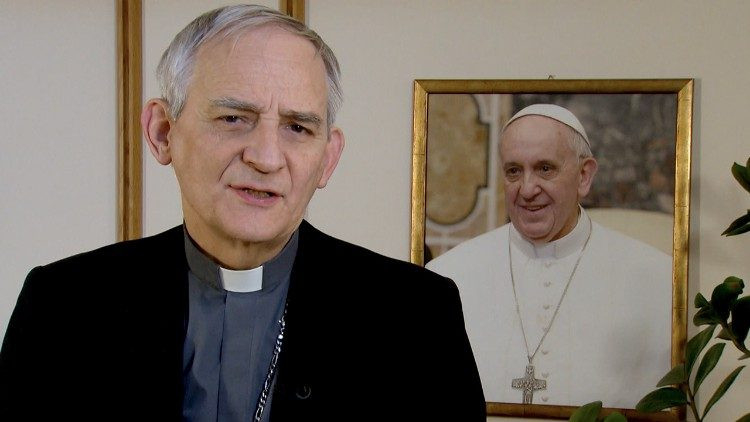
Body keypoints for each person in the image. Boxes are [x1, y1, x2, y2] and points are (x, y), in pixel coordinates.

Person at [0, 5, 485, 421]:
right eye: (234, 118)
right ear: (163, 132)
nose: (266, 158)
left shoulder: (417, 318)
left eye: (298, 127)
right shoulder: (61, 307)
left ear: (328, 158)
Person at [427, 104, 672, 409]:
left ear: (584, 176)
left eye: (545, 168)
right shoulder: (446, 275)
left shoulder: (658, 278)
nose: (527, 189)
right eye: (514, 171)